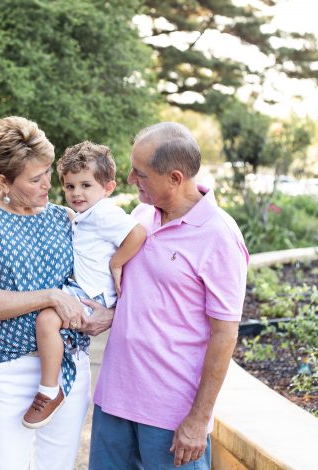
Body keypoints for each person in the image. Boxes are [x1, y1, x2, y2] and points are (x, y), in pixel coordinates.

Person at [87, 122, 249, 469]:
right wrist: (111, 312)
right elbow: (149, 295)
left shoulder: (219, 237)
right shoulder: (142, 213)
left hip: (171, 415)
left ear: (175, 178)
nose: (131, 179)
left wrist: (198, 420)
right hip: (113, 399)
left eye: (140, 173)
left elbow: (225, 335)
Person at [0, 116, 113, 470]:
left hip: (69, 366)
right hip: (9, 370)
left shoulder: (67, 218)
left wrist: (109, 314)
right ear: (3, 181)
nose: (47, 185)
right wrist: (50, 296)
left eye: (47, 173)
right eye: (34, 178)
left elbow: (109, 274)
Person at [22, 141, 146, 429]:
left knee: (46, 320)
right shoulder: (84, 216)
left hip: (92, 294)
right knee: (47, 318)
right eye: (70, 186)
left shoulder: (104, 212)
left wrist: (116, 263)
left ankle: (50, 390)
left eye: (86, 185)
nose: (76, 193)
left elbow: (138, 234)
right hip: (83, 288)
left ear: (108, 187)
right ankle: (55, 378)